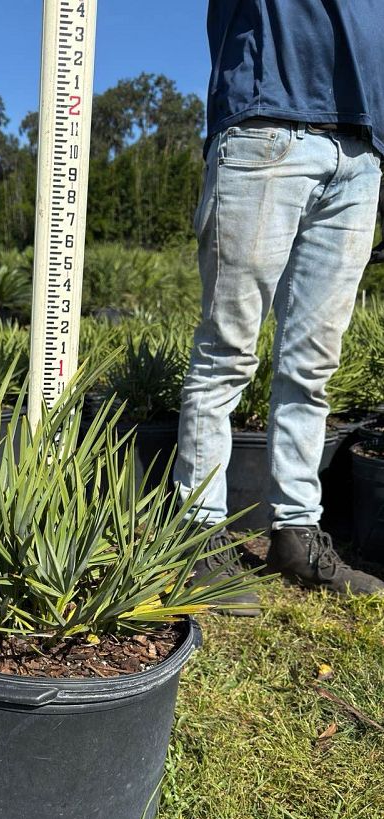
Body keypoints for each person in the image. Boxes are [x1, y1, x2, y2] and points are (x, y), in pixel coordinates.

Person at [175, 0, 384, 613]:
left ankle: (295, 537)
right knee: (227, 352)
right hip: (266, 130)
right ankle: (196, 536)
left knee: (312, 366)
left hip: (363, 155)